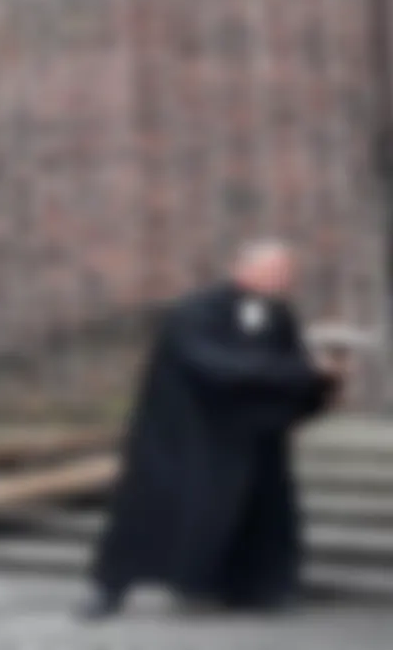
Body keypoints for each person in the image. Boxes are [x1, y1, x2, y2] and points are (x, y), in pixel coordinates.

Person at [82, 238, 347, 619]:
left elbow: (289, 368)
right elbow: (217, 366)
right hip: (187, 437)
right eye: (276, 271)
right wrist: (305, 372)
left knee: (256, 513)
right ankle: (110, 590)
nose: (285, 280)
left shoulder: (280, 316)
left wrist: (322, 385)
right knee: (159, 515)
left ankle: (253, 588)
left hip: (249, 438)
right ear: (242, 268)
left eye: (288, 273)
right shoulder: (194, 312)